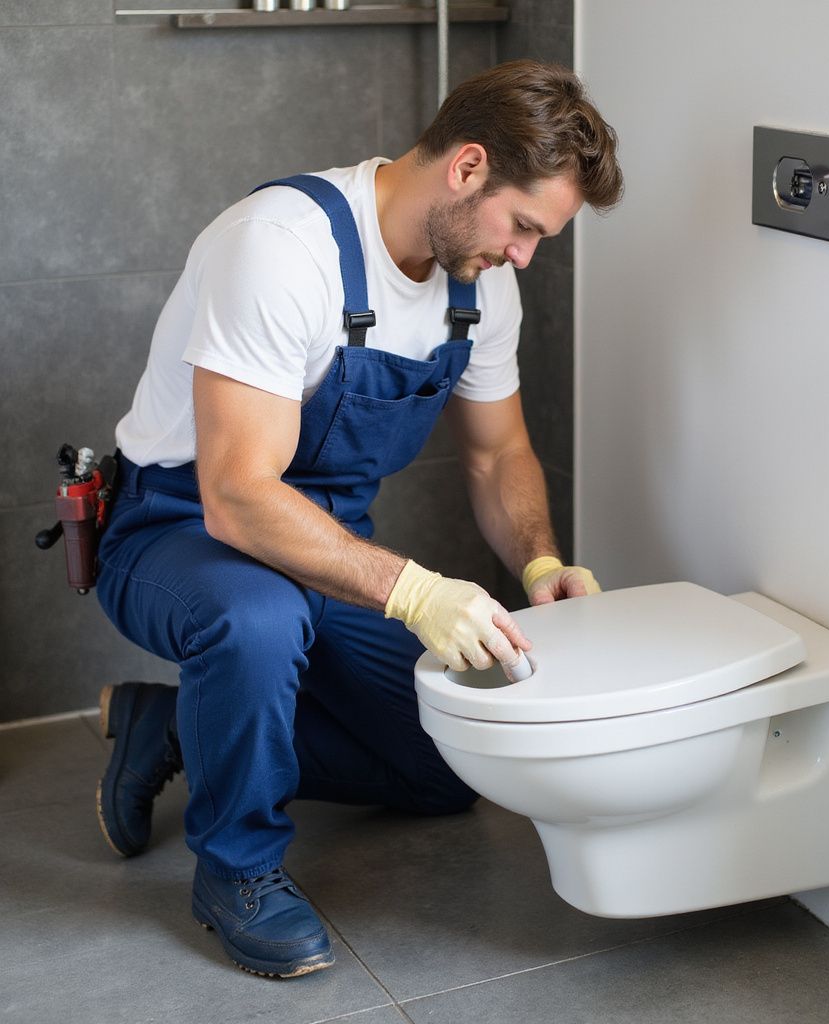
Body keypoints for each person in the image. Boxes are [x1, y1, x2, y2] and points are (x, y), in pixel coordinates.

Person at [94, 59, 623, 979]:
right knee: (256, 617)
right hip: (179, 526)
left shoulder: (479, 285)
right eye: (525, 227)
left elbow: (498, 455)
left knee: (444, 766)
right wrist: (414, 593)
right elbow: (238, 495)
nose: (525, 256)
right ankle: (236, 871)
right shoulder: (279, 246)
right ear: (467, 167)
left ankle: (176, 725)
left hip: (326, 545)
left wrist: (540, 564)